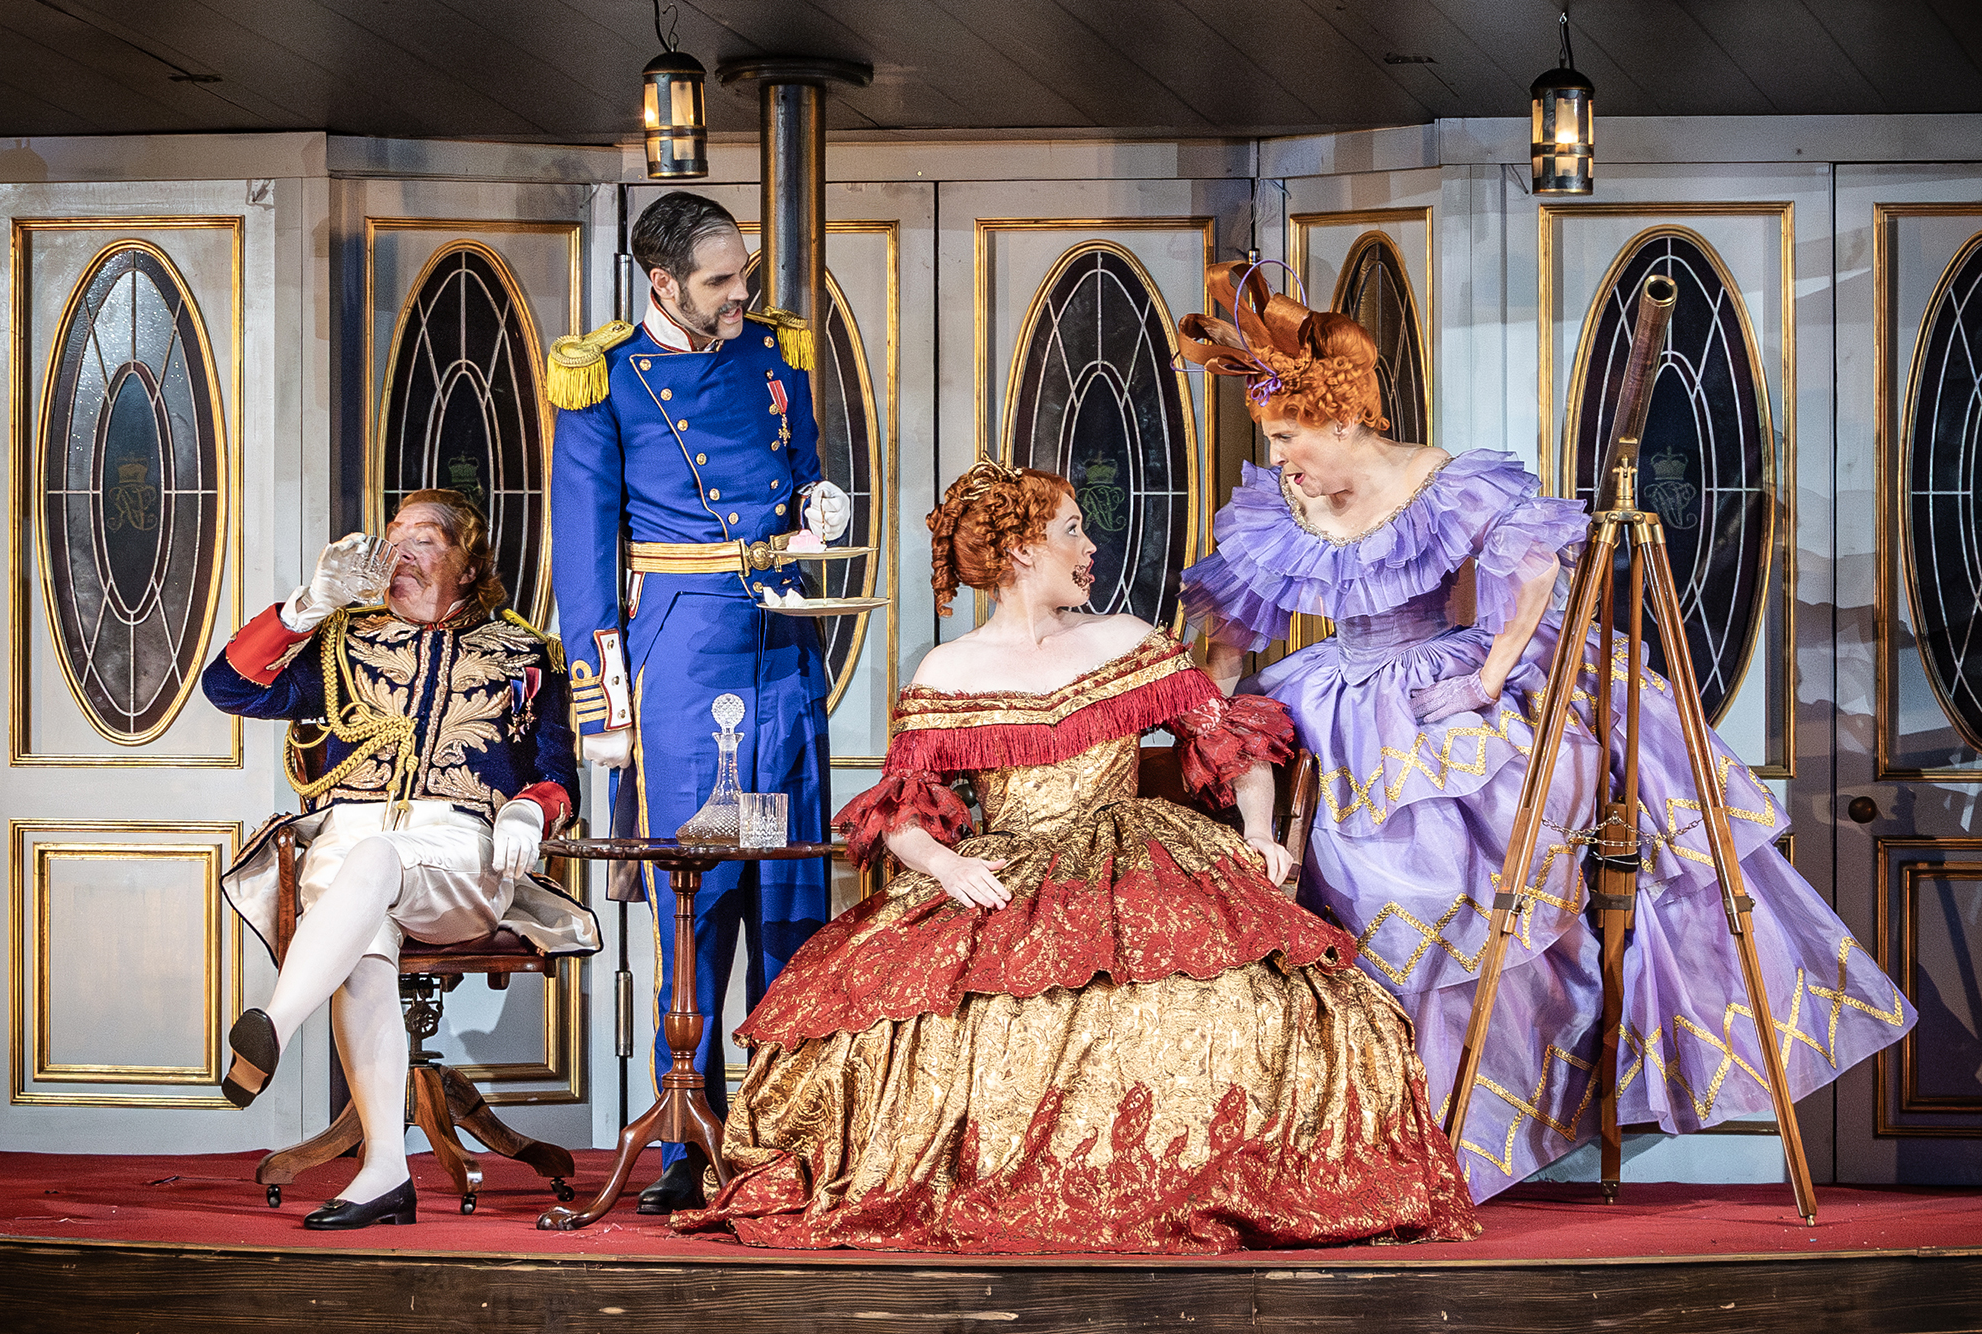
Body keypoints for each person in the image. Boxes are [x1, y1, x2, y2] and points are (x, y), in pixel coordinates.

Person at [1176, 262, 1916, 1201]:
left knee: (1499, 884)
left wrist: (1488, 675)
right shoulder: (1284, 505)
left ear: (1344, 418)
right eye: (1272, 438)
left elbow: (1531, 570)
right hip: (1338, 703)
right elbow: (1233, 630)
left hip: (1438, 684)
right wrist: (1222, 715)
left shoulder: (1434, 479)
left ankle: (1487, 1124)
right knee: (1356, 918)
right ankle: (1380, 1144)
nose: (1280, 457)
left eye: (1289, 435)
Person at [668, 460, 1478, 1252]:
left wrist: (1259, 835)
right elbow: (900, 817)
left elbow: (1233, 743)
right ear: (1022, 552)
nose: (1090, 547)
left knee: (1250, 1003)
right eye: (1071, 530)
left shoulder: (1126, 641)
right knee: (915, 1017)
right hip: (1005, 869)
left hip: (1142, 858)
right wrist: (948, 869)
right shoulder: (949, 672)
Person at [546, 190, 851, 1214]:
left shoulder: (776, 352)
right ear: (660, 281)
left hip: (779, 641)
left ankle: (782, 1132)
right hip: (682, 655)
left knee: (789, 895)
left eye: (743, 273)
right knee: (701, 891)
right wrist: (603, 703)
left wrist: (818, 523)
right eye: (719, 280)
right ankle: (686, 1132)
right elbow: (582, 555)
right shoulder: (605, 377)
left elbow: (808, 478)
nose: (740, 293)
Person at [205, 489, 598, 1229]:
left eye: (424, 537)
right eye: (394, 536)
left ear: (468, 561)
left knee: (374, 864)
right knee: (361, 936)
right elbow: (228, 689)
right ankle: (385, 1172)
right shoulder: (341, 642)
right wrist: (305, 607)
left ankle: (272, 1024)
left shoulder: (525, 653)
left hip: (458, 853)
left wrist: (528, 807)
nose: (400, 550)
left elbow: (560, 777)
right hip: (347, 844)